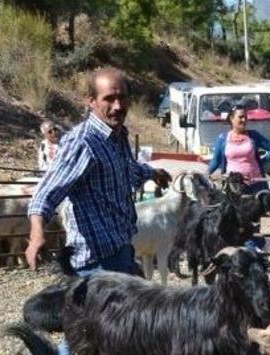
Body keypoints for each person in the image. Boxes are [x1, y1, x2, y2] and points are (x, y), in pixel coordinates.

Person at [25, 67, 171, 276]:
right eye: (109, 99)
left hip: (120, 250)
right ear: (91, 101)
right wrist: (37, 234)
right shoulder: (83, 143)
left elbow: (124, 170)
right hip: (95, 264)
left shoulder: (116, 136)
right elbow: (45, 193)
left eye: (122, 97)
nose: (118, 106)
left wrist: (152, 173)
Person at [208, 103, 270, 251]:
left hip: (256, 185)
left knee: (253, 220)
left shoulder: (253, 136)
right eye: (241, 117)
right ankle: (256, 246)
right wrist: (205, 175)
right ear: (231, 119)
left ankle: (254, 247)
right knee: (238, 219)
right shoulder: (223, 139)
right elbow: (215, 161)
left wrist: (261, 163)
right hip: (235, 187)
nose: (244, 120)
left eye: (246, 117)